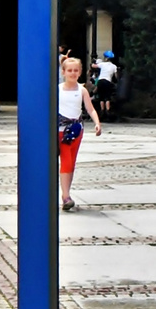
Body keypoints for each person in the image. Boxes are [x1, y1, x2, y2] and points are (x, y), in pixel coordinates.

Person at [57, 55, 102, 212]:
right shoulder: (57, 90)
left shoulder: (81, 90)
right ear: (63, 72)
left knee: (71, 162)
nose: (73, 73)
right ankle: (66, 195)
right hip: (61, 131)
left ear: (80, 72)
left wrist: (97, 123)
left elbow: (90, 108)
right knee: (66, 161)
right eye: (69, 70)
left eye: (76, 70)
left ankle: (66, 194)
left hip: (76, 130)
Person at [93, 50, 119, 119]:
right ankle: (108, 110)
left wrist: (94, 62)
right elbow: (116, 76)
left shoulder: (102, 64)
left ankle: (102, 111)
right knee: (107, 97)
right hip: (108, 82)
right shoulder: (114, 66)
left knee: (101, 97)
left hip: (100, 81)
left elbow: (93, 66)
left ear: (106, 58)